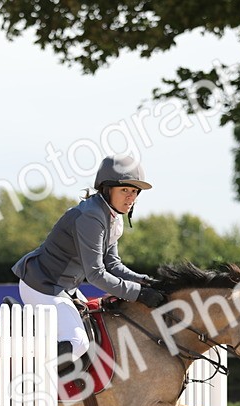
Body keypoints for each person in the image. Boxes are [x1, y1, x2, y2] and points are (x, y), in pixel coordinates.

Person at [13, 154, 168, 375]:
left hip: (64, 288)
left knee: (99, 329)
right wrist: (139, 294)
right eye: (125, 190)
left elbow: (113, 265)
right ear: (107, 188)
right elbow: (96, 274)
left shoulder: (112, 217)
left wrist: (145, 282)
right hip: (42, 286)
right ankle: (30, 383)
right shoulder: (91, 216)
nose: (131, 197)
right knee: (78, 342)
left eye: (134, 192)